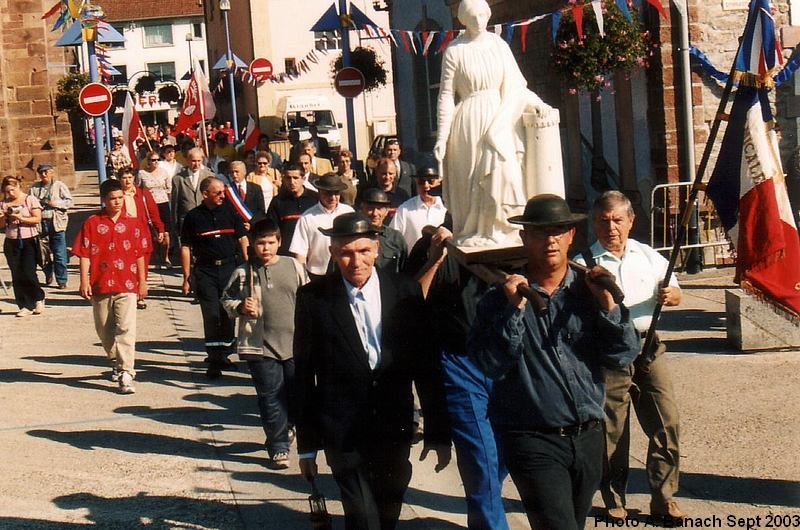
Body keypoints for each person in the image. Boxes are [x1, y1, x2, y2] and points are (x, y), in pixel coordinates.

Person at [467, 194, 640, 530]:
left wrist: (608, 305)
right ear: (524, 237)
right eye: (540, 232)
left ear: (571, 236)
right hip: (532, 438)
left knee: (571, 522)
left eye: (558, 231)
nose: (550, 241)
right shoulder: (497, 299)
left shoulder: (588, 290)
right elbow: (490, 364)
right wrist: (513, 311)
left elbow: (623, 354)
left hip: (587, 436)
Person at [294, 212, 451, 530]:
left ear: (377, 249)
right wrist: (308, 446)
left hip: (393, 425)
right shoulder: (314, 299)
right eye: (347, 253)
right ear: (334, 253)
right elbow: (302, 374)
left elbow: (426, 365)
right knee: (363, 516)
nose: (356, 261)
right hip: (342, 430)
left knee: (387, 511)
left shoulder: (405, 291)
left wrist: (438, 432)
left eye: (363, 251)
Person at [575, 191, 685, 522]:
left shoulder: (649, 256)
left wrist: (672, 295)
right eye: (604, 221)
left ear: (631, 221)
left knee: (666, 422)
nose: (611, 228)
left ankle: (664, 496)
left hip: (649, 345)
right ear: (595, 223)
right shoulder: (584, 264)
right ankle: (613, 497)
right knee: (612, 430)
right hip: (608, 352)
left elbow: (677, 291)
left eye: (617, 220)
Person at [434, 0, 550, 247]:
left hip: (501, 117)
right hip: (468, 121)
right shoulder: (454, 50)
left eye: (482, 15)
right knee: (472, 181)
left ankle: (503, 229)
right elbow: (445, 95)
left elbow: (517, 84)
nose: (478, 21)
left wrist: (538, 103)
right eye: (472, 16)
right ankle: (475, 231)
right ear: (463, 19)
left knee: (505, 171)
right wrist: (442, 137)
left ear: (488, 15)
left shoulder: (499, 45)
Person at [221, 218, 308, 469]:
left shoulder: (294, 267)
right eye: (260, 243)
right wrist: (239, 306)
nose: (266, 248)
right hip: (260, 346)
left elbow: (309, 298)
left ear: (280, 242)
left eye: (271, 243)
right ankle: (278, 445)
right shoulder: (243, 272)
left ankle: (288, 426)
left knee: (294, 395)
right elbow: (226, 299)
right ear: (253, 245)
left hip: (294, 344)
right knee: (269, 397)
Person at [72, 178, 147, 394]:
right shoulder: (92, 223)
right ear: (104, 200)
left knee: (126, 329)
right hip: (100, 284)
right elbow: (84, 253)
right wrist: (84, 280)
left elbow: (140, 254)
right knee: (104, 330)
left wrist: (143, 281)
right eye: (112, 199)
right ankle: (115, 359)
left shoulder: (133, 223)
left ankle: (126, 373)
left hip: (127, 283)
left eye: (120, 198)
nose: (117, 202)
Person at [180, 177, 249, 379]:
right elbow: (186, 247)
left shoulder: (230, 212)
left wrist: (248, 263)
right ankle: (214, 359)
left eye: (223, 192)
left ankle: (225, 354)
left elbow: (242, 238)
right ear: (205, 194)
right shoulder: (193, 217)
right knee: (211, 315)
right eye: (217, 192)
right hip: (205, 272)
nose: (222, 195)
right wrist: (186, 276)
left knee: (228, 313)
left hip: (229, 269)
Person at [288, 173, 354, 279]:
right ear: (319, 192)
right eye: (328, 193)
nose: (332, 197)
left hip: (345, 273)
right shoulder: (307, 217)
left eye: (336, 193)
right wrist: (303, 278)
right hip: (316, 275)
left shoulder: (349, 212)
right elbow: (300, 253)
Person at [119, 168, 164, 310]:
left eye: (130, 177)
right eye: (124, 177)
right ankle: (127, 294)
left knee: (142, 267)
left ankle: (140, 295)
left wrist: (160, 229)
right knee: (125, 266)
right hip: (123, 236)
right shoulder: (117, 196)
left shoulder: (143, 194)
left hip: (142, 235)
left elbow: (153, 213)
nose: (127, 180)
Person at [0, 176, 45, 317]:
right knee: (16, 274)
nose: (11, 194)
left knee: (28, 271)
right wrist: (4, 217)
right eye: (8, 191)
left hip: (29, 240)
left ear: (19, 186)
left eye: (13, 190)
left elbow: (37, 219)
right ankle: (24, 304)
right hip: (11, 240)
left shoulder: (29, 199)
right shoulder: (3, 204)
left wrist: (21, 218)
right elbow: (1, 226)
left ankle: (38, 298)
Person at [29, 163, 73, 289]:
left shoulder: (59, 186)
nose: (44, 175)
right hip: (41, 224)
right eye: (41, 172)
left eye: (46, 172)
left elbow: (69, 201)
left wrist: (57, 203)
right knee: (43, 253)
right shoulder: (34, 188)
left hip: (56, 222)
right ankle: (48, 273)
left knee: (59, 253)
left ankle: (62, 279)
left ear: (52, 172)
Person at [390, 166, 448, 251]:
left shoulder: (447, 208)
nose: (426, 185)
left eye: (431, 181)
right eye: (421, 181)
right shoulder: (405, 209)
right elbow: (393, 239)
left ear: (439, 182)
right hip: (414, 261)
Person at [266, 164, 319, 256]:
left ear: (303, 179)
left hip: (314, 251)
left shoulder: (315, 199)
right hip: (287, 253)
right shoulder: (278, 201)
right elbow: (272, 229)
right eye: (288, 178)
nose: (292, 182)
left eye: (295, 178)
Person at [136, 150, 173, 268]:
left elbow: (169, 188)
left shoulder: (164, 172)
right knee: (153, 232)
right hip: (148, 205)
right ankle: (157, 257)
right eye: (153, 160)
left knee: (165, 232)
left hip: (163, 203)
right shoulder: (142, 173)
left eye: (157, 160)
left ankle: (166, 257)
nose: (155, 162)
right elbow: (138, 188)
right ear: (148, 161)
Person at [358, 188, 407, 274]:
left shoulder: (396, 238)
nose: (375, 213)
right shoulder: (353, 237)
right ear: (362, 208)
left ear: (387, 210)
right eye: (370, 208)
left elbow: (404, 270)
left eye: (379, 208)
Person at [171, 147, 215, 235]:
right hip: (186, 221)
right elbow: (175, 204)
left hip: (205, 220)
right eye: (194, 161)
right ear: (187, 160)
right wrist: (175, 224)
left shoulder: (210, 176)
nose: (196, 164)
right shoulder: (178, 179)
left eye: (199, 161)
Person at [363, 158, 409, 225]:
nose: (387, 177)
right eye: (384, 173)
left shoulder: (403, 195)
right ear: (377, 172)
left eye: (390, 174)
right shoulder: (366, 192)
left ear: (395, 174)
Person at [229, 160, 266, 228]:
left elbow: (261, 211)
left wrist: (251, 223)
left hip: (253, 229)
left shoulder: (256, 188)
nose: (234, 174)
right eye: (232, 172)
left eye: (236, 171)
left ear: (244, 172)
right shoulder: (228, 190)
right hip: (234, 229)